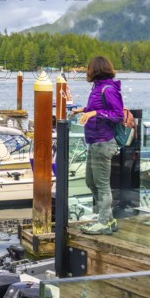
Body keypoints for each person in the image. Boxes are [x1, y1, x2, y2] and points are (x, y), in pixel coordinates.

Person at [71, 56, 123, 235]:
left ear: (96, 69)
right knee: (90, 182)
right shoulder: (98, 88)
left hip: (103, 142)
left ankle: (104, 222)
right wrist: (83, 110)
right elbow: (99, 109)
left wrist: (93, 112)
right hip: (94, 141)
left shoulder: (108, 89)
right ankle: (107, 218)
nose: (86, 71)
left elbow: (117, 115)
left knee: (101, 184)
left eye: (88, 68)